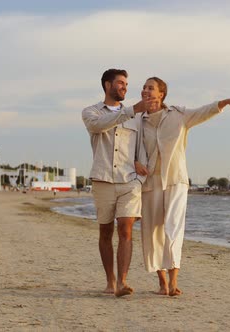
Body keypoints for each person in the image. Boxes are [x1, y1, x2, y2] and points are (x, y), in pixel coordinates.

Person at [135, 77, 230, 296]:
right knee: (152, 233)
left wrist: (225, 102)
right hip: (150, 183)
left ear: (162, 93)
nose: (145, 90)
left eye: (150, 87)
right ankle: (162, 282)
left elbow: (204, 112)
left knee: (173, 228)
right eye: (144, 87)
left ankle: (174, 282)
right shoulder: (138, 120)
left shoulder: (179, 115)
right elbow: (129, 147)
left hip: (176, 180)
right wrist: (135, 162)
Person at [81, 68, 150, 297]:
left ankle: (122, 282)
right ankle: (110, 282)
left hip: (129, 181)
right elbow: (97, 127)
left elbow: (141, 145)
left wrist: (140, 170)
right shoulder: (91, 112)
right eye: (120, 83)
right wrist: (130, 111)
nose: (125, 87)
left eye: (126, 84)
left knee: (126, 229)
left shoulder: (137, 118)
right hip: (102, 180)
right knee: (105, 232)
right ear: (107, 85)